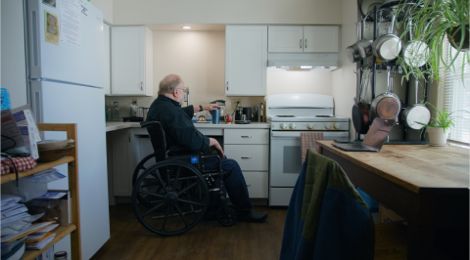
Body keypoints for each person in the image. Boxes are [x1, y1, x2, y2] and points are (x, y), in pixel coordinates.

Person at [146, 74, 267, 223]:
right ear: (176, 92)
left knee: (218, 165)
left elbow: (180, 114)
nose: (183, 93)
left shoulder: (159, 106)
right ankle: (245, 211)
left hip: (171, 158)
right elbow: (191, 140)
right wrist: (212, 141)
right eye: (183, 90)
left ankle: (214, 209)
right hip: (182, 161)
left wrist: (203, 107)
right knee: (230, 165)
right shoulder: (170, 110)